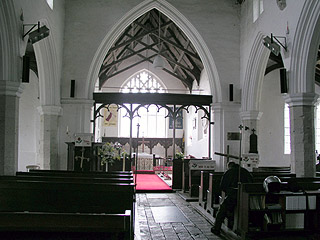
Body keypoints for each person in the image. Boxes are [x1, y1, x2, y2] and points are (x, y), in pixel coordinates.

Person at [211, 161, 253, 235]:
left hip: (233, 196)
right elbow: (251, 183)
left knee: (222, 209)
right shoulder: (245, 171)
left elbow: (222, 186)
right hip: (246, 197)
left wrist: (228, 192)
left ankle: (216, 228)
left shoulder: (229, 172)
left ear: (229, 166)